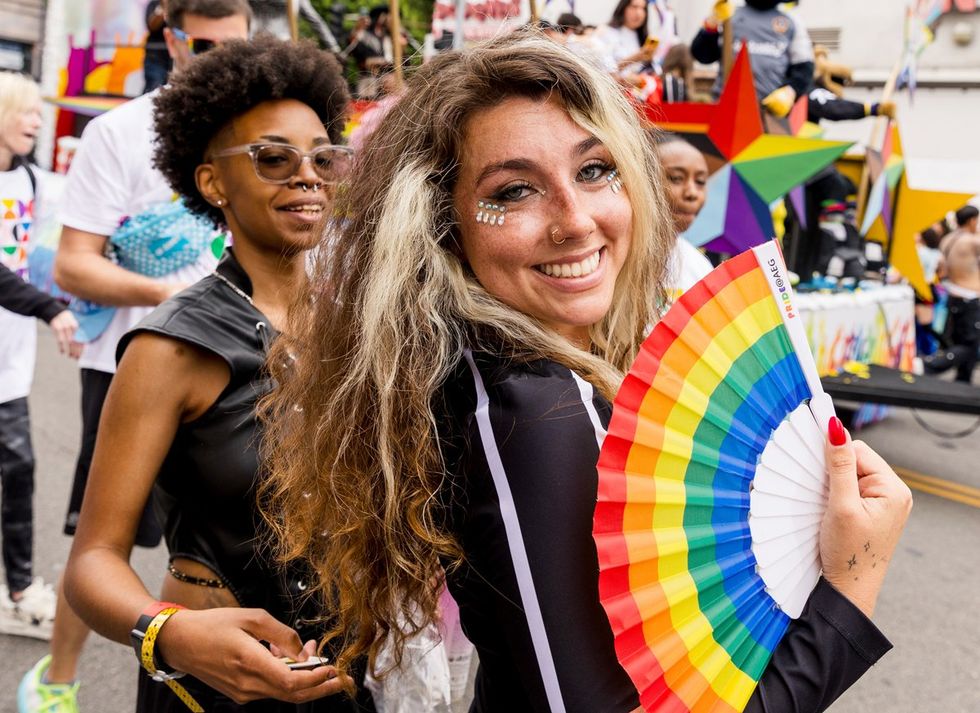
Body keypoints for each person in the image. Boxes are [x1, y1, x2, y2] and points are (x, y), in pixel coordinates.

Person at [259, 32, 912, 712]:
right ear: (444, 224)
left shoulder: (544, 371)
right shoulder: (531, 406)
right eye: (513, 191)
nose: (575, 221)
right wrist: (850, 588)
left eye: (595, 170)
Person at [62, 35, 372, 712]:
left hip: (341, 678)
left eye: (324, 157)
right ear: (212, 183)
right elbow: (92, 564)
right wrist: (172, 635)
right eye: (272, 158)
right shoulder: (172, 347)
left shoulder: (354, 327)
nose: (308, 175)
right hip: (212, 691)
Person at [19, 2, 252, 710]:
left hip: (243, 372)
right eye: (203, 43)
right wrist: (179, 298)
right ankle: (58, 678)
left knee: (226, 544)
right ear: (171, 37)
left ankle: (219, 679)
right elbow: (73, 266)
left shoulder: (260, 128)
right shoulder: (120, 132)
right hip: (131, 368)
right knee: (106, 542)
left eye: (232, 46)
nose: (216, 58)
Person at [0, 70, 77, 642]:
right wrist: (51, 309)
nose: (36, 121)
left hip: (9, 361)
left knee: (19, 470)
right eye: (26, 111)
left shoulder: (31, 180)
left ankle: (19, 591)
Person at [691, 0, 814, 117]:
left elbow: (804, 67)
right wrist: (712, 22)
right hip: (725, 107)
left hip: (769, 113)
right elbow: (703, 56)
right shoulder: (730, 15)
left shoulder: (792, 21)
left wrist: (790, 91)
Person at [923, 204, 980, 383]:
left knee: (961, 340)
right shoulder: (971, 241)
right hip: (970, 296)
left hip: (953, 295)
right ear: (971, 220)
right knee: (969, 344)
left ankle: (963, 380)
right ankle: (932, 365)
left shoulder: (947, 239)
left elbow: (941, 270)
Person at [653, 133, 713, 300]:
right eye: (676, 178)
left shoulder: (700, 268)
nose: (692, 193)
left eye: (700, 181)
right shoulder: (610, 262)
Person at [248, 0, 342, 52]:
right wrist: (334, 47)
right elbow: (315, 21)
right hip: (280, 47)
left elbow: (315, 21)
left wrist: (333, 46)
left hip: (262, 45)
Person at [143, 0, 172, 93]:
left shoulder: (179, 6)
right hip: (155, 56)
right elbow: (152, 26)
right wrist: (163, 9)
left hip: (173, 56)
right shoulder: (154, 4)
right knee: (153, 87)